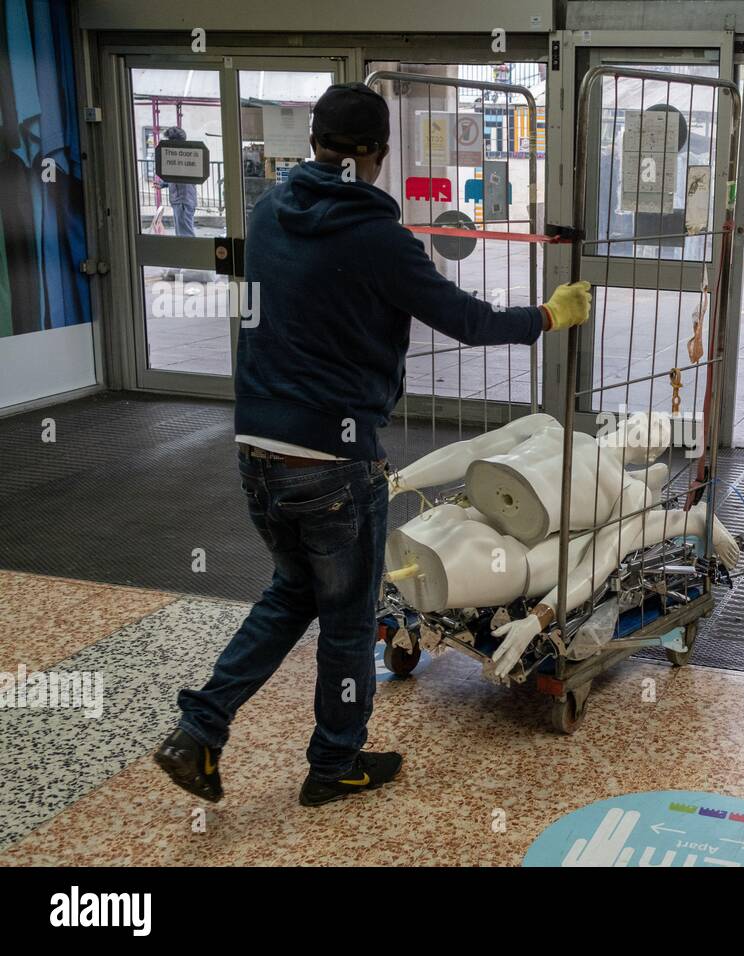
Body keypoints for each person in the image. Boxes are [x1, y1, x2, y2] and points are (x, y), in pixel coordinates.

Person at [154, 83, 592, 808]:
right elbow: (467, 320)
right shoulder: (377, 237)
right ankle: (335, 764)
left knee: (293, 593)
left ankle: (199, 729)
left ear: (314, 142)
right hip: (331, 460)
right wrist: (549, 313)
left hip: (257, 450)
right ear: (379, 155)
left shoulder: (267, 215)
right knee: (350, 621)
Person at [158, 126, 198, 238]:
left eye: (169, 141)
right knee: (182, 233)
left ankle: (189, 254)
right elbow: (176, 176)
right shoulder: (181, 156)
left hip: (183, 200)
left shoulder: (183, 157)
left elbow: (182, 176)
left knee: (185, 234)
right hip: (180, 200)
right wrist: (164, 183)